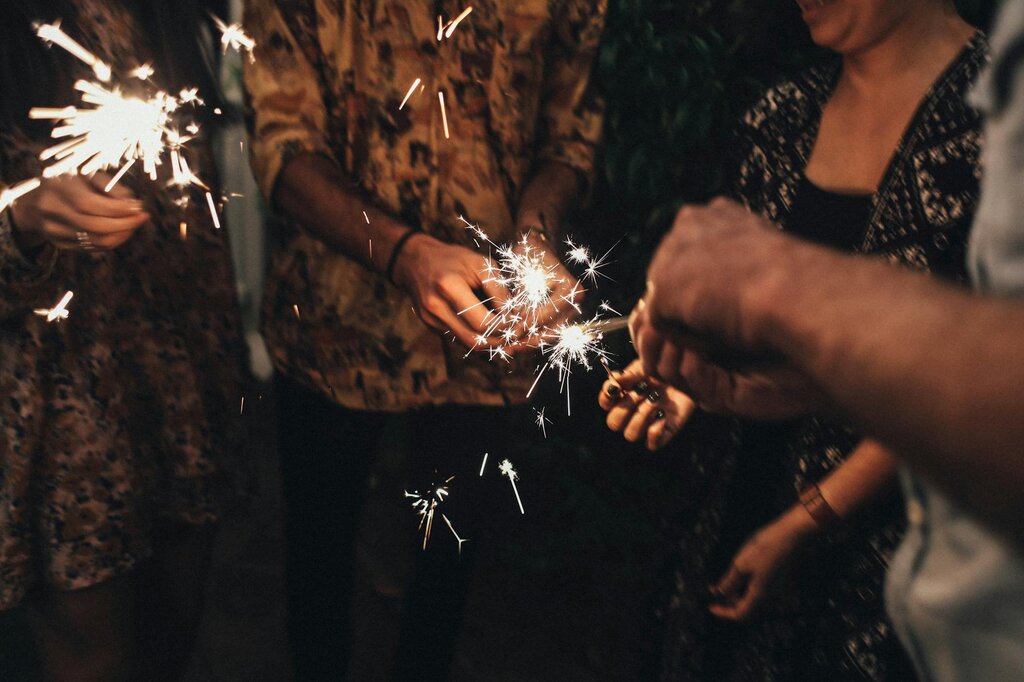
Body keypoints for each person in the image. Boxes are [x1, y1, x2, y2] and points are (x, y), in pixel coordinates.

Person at [629, 0, 1024, 677]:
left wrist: (806, 522)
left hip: (882, 575)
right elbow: (741, 341)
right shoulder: (780, 116)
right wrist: (687, 377)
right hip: (729, 512)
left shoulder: (1002, 124)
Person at [243, 1, 606, 677]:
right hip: (334, 327)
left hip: (492, 341)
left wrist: (535, 233)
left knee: (448, 569)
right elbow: (283, 148)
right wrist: (405, 254)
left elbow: (568, 137)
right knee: (319, 566)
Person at [0, 1, 245, 679]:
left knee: (173, 626)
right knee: (95, 653)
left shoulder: (165, 14)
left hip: (178, 369)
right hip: (59, 405)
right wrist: (19, 214)